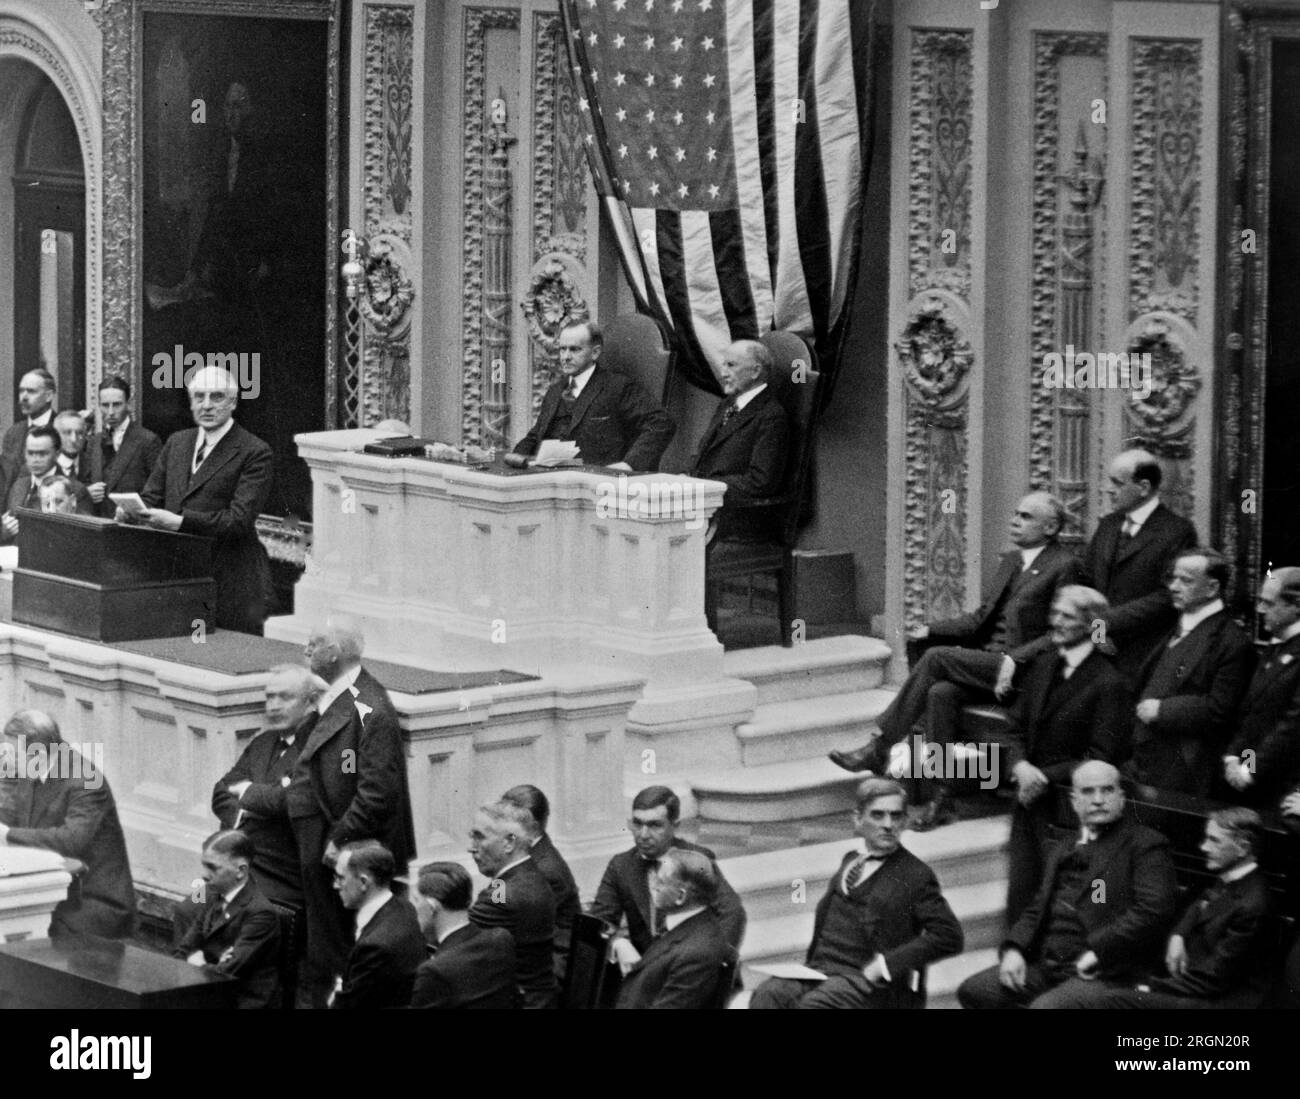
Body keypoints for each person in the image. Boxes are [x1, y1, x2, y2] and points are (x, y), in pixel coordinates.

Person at [829, 492, 1079, 828]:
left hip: (1028, 672)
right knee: (940, 693)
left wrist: (1016, 659)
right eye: (1015, 514)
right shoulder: (1011, 561)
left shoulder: (1065, 565)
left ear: (1050, 526)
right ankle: (944, 797)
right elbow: (979, 620)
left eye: (1025, 517)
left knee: (936, 658)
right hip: (989, 664)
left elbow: (1062, 631)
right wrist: (930, 628)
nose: (1014, 521)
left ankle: (881, 747)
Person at [957, 761, 1178, 1009]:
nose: (1098, 800)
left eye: (1107, 790)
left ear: (1121, 798)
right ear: (1074, 801)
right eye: (1088, 792)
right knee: (975, 990)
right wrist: (1014, 949)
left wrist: (1098, 952)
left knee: (1045, 1008)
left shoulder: (1145, 845)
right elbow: (1038, 907)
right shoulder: (1063, 846)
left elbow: (1153, 910)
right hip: (1049, 963)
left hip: (1105, 970)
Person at [284, 618, 416, 1007]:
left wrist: (338, 840)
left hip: (344, 850)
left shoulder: (370, 708)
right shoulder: (339, 697)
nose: (306, 651)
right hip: (326, 847)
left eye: (314, 644)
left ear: (335, 653)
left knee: (338, 952)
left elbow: (377, 792)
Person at [750, 778, 963, 1009]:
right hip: (821, 971)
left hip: (869, 982)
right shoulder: (850, 861)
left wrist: (886, 965)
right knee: (767, 995)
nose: (888, 824)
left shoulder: (915, 875)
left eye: (896, 816)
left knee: (814, 1006)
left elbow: (949, 936)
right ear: (858, 819)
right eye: (878, 815)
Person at [1001, 586, 1134, 924]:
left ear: (1091, 624)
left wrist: (1043, 776)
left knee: (1062, 898)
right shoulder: (1043, 665)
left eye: (1067, 616)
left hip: (1069, 807)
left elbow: (1101, 755)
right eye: (1055, 613)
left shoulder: (1109, 681)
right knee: (1021, 889)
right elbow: (1014, 727)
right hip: (1028, 800)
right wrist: (1020, 765)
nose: (1056, 622)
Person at [1070, 808, 1277, 1009]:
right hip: (1194, 980)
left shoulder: (1253, 905)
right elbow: (1201, 904)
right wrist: (1179, 934)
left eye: (1214, 841)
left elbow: (1213, 978)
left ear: (1242, 847)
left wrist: (1149, 987)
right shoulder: (1232, 875)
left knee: (1108, 1002)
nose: (1204, 847)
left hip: (1217, 1000)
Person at [126, 365, 274, 634]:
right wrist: (131, 512)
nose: (206, 406)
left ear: (233, 402)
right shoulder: (177, 442)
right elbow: (151, 495)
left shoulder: (254, 451)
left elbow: (238, 521)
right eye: (199, 397)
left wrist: (181, 523)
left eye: (216, 397)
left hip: (229, 579)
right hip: (176, 574)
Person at [1127, 548, 1255, 796]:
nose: (1174, 587)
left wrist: (1162, 711)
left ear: (1212, 588)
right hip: (1144, 761)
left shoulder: (1231, 642)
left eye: (1185, 580)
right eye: (1172, 579)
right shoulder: (1174, 626)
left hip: (1185, 770)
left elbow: (1221, 709)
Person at [0, 710, 136, 939]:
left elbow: (71, 840)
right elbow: (10, 815)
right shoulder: (28, 770)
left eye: (12, 752)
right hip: (50, 888)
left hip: (90, 901)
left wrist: (7, 834)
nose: (6, 759)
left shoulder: (86, 781)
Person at [591, 785, 747, 960]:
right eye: (637, 824)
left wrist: (709, 961)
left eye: (655, 825)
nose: (643, 834)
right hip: (647, 970)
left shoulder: (696, 859)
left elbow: (732, 912)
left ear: (675, 826)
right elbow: (598, 922)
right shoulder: (621, 866)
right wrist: (617, 944)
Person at [212, 664, 323, 909]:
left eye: (285, 697)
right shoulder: (263, 742)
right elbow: (220, 792)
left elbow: (292, 800)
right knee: (190, 908)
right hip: (241, 864)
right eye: (269, 697)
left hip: (282, 874)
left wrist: (247, 792)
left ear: (311, 701)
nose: (273, 706)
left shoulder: (319, 745)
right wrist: (248, 811)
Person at [1077, 449, 1198, 668]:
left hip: (1143, 652)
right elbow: (1086, 579)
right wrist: (1097, 630)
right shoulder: (1108, 524)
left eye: (1117, 483)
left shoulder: (1177, 531)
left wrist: (1107, 623)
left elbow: (1168, 595)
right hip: (1094, 644)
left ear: (1143, 487)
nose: (1108, 490)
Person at [509, 321, 675, 471]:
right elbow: (535, 435)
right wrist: (514, 461)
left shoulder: (617, 387)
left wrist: (629, 464)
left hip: (597, 483)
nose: (565, 357)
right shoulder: (556, 390)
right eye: (562, 349)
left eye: (574, 350)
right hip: (551, 481)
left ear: (595, 353)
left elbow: (662, 422)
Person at [687, 340, 790, 542]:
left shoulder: (771, 415)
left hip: (735, 522)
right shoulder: (728, 405)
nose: (723, 373)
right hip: (706, 509)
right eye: (723, 365)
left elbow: (760, 482)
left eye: (731, 365)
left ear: (755, 371)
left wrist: (703, 487)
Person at [174, 830, 282, 1009]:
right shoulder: (214, 896)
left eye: (213, 867)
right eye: (204, 866)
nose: (204, 875)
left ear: (240, 870)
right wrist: (211, 964)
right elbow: (181, 952)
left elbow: (225, 974)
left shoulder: (261, 914)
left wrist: (200, 963)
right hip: (211, 994)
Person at [614, 849, 734, 1009]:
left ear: (680, 896)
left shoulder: (696, 953)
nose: (652, 885)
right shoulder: (686, 926)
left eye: (660, 881)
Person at [467, 800, 558, 1009]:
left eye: (479, 837)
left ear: (509, 842)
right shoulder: (516, 878)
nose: (471, 848)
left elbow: (456, 945)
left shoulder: (506, 895)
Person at [1224, 567, 1300, 806]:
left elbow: (1291, 725)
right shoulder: (1275, 646)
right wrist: (1236, 759)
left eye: (1268, 603)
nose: (1260, 610)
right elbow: (1253, 716)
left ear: (1296, 606)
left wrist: (1250, 769)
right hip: (1255, 778)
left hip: (1284, 785)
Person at [328, 841, 425, 1010]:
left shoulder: (375, 946)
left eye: (341, 878)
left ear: (364, 882)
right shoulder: (405, 907)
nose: (336, 885)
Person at [410, 861, 517, 1010]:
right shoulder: (502, 939)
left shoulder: (433, 971)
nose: (413, 908)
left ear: (431, 907)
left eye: (415, 901)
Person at [500, 783, 580, 979]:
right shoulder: (521, 854)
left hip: (550, 966)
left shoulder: (546, 871)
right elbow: (498, 905)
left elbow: (510, 923)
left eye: (506, 823)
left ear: (532, 828)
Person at [85, 374, 162, 518]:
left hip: (131, 528)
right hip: (98, 525)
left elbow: (157, 492)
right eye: (105, 405)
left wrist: (132, 511)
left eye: (117, 404)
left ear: (129, 404)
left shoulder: (148, 441)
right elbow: (86, 480)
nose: (111, 412)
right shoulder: (94, 442)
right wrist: (87, 492)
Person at [2, 425, 91, 543]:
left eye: (42, 454)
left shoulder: (75, 489)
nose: (35, 459)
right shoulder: (18, 486)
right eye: (30, 453)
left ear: (57, 454)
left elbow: (84, 539)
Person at [0, 367, 56, 499]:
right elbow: (4, 480)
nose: (23, 397)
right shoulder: (13, 433)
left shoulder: (61, 430)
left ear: (48, 396)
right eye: (21, 391)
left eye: (31, 391)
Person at [53, 410, 91, 484]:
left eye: (79, 433)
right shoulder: (45, 465)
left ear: (85, 436)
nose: (73, 439)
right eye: (67, 433)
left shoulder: (93, 465)